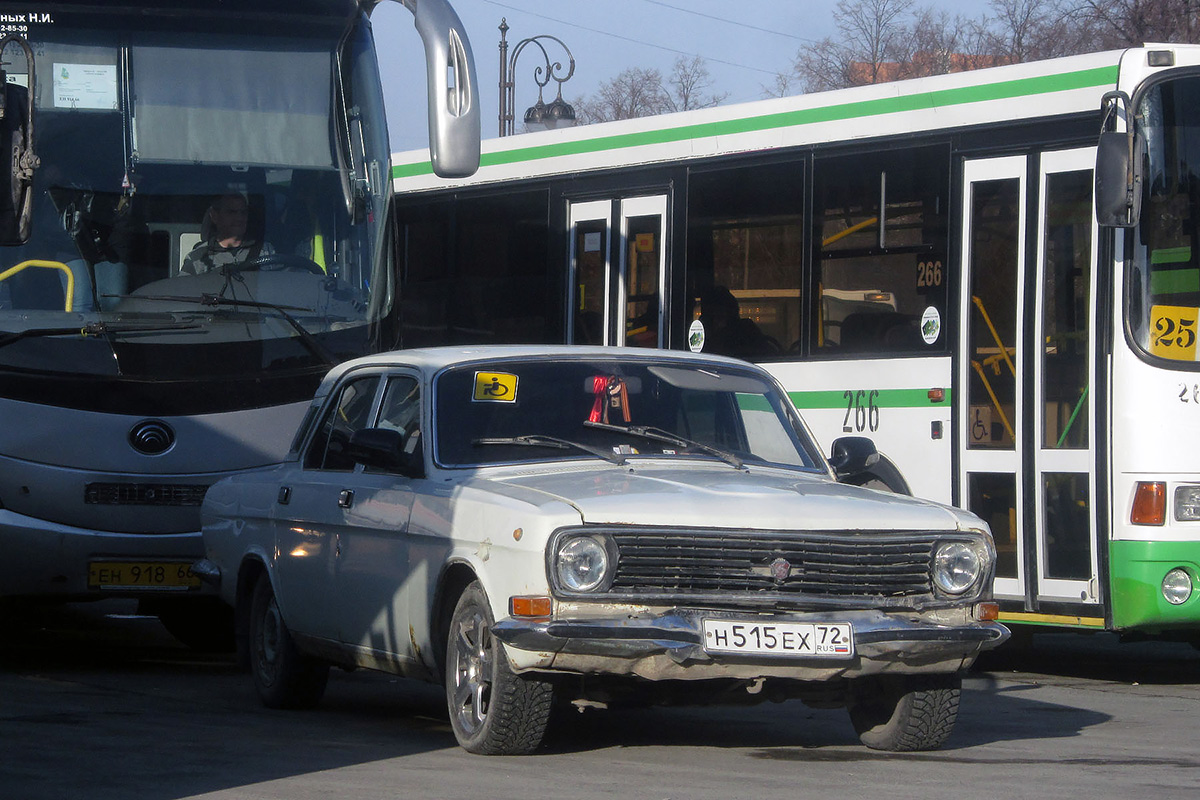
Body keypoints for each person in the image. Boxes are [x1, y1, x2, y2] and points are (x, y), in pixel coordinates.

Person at [180, 193, 274, 275]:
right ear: (215, 216)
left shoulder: (266, 251)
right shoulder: (197, 258)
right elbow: (181, 292)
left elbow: (282, 286)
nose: (239, 218)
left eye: (243, 212)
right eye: (231, 212)